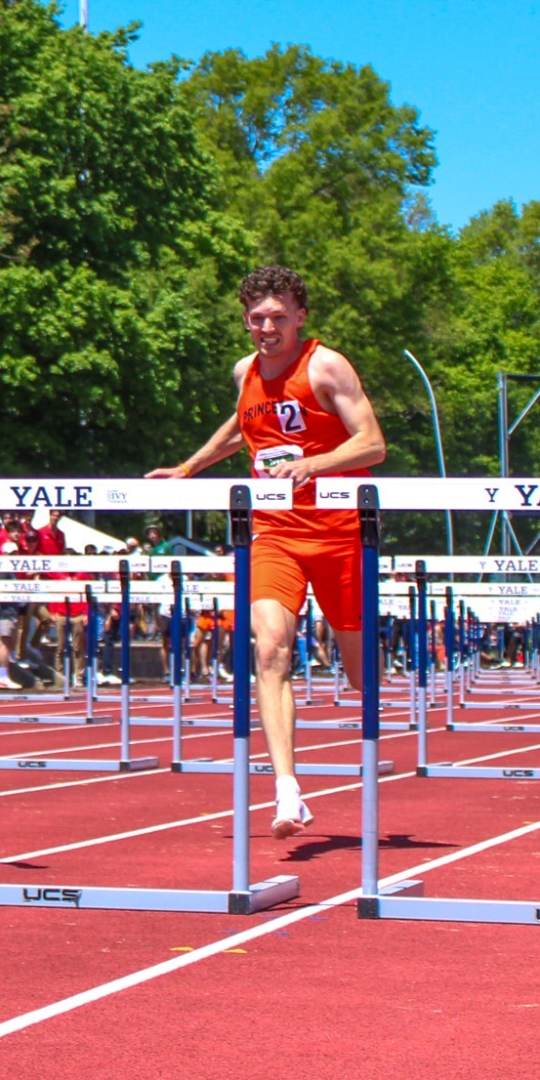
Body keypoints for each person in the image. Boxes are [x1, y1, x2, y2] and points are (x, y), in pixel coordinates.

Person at [148, 265, 385, 838]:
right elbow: (241, 427)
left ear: (300, 317)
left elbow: (373, 442)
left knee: (362, 678)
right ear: (245, 321)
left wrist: (314, 464)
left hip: (338, 536)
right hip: (274, 533)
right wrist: (186, 468)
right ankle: (287, 790)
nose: (267, 328)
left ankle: (368, 673)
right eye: (257, 319)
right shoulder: (245, 372)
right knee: (271, 646)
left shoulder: (326, 365)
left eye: (278, 317)